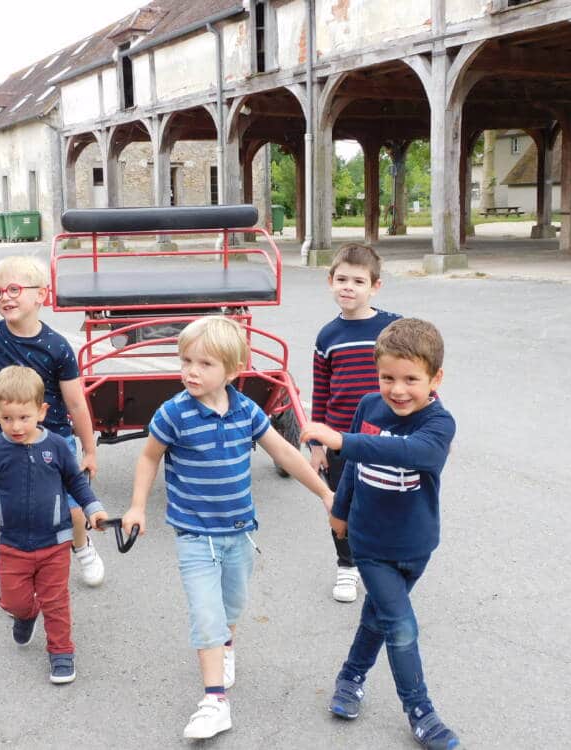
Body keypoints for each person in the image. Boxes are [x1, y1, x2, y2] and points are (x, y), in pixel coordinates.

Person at [121, 316, 334, 740]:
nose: (191, 372)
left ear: (233, 371)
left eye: (204, 364)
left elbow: (287, 454)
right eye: (186, 361)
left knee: (231, 606)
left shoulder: (247, 411)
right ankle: (214, 700)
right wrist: (137, 507)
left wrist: (327, 495)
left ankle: (227, 646)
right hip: (194, 534)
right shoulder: (174, 413)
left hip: (239, 531)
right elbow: (148, 457)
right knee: (206, 613)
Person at [301, 318, 460, 750]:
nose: (398, 390)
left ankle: (350, 676)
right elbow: (352, 467)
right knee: (401, 625)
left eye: (411, 379)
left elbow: (417, 454)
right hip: (369, 543)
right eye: (388, 377)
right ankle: (421, 711)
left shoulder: (439, 424)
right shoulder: (369, 406)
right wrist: (340, 508)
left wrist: (341, 441)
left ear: (435, 379)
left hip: (416, 545)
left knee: (378, 616)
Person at [0, 365, 108, 684]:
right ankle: (25, 615)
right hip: (12, 545)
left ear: (41, 411)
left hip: (54, 543)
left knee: (56, 602)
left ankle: (62, 652)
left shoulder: (57, 448)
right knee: (15, 601)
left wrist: (93, 508)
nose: (15, 426)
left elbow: (76, 484)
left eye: (24, 417)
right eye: (7, 418)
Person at [0, 255, 106, 587]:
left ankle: (81, 546)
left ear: (41, 294)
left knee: (72, 507)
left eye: (14, 289)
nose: (5, 297)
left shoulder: (57, 347)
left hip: (54, 438)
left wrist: (89, 449)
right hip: (7, 440)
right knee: (15, 508)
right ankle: (21, 569)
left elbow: (75, 403)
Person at [310, 243, 400, 603]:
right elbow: (320, 391)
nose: (349, 287)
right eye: (342, 279)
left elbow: (414, 377)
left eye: (358, 281)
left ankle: (380, 564)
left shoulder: (393, 328)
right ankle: (346, 566)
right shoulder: (327, 336)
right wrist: (316, 443)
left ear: (374, 287)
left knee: (384, 501)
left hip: (385, 437)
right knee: (341, 503)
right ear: (330, 281)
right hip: (339, 438)